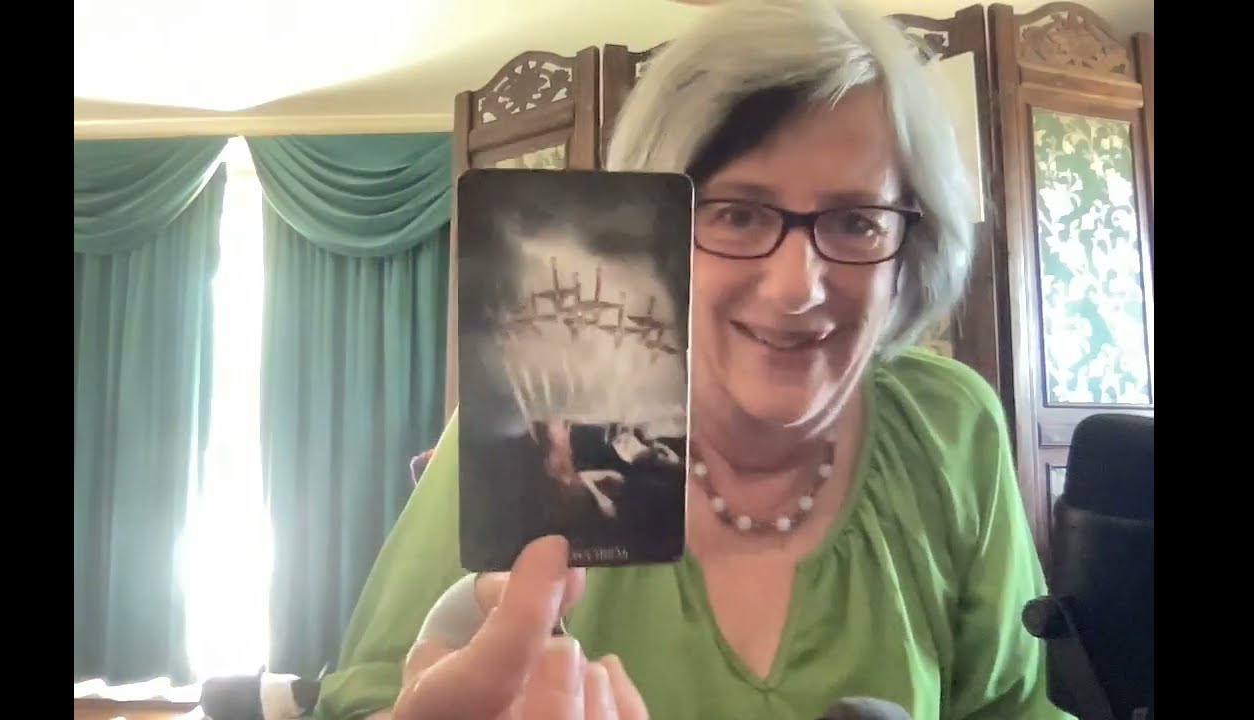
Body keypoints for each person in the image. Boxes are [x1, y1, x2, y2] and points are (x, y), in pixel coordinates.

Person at [314, 0, 1074, 717]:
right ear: (648, 228)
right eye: (738, 214)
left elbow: (1014, 706)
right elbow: (361, 700)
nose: (796, 287)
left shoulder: (949, 427)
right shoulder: (520, 430)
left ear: (911, 243)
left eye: (855, 221)